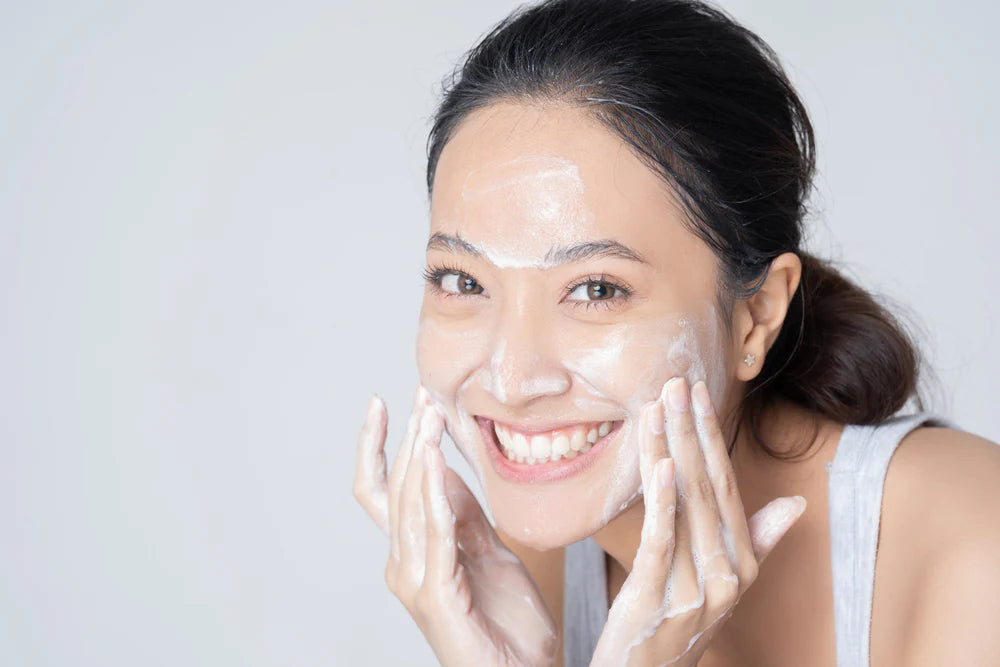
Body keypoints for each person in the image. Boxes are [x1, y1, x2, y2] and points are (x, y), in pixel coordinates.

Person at [353, 0, 1000, 664]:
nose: (512, 382)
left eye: (597, 289)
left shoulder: (974, 541)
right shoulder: (527, 566)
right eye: (463, 281)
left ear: (756, 315)